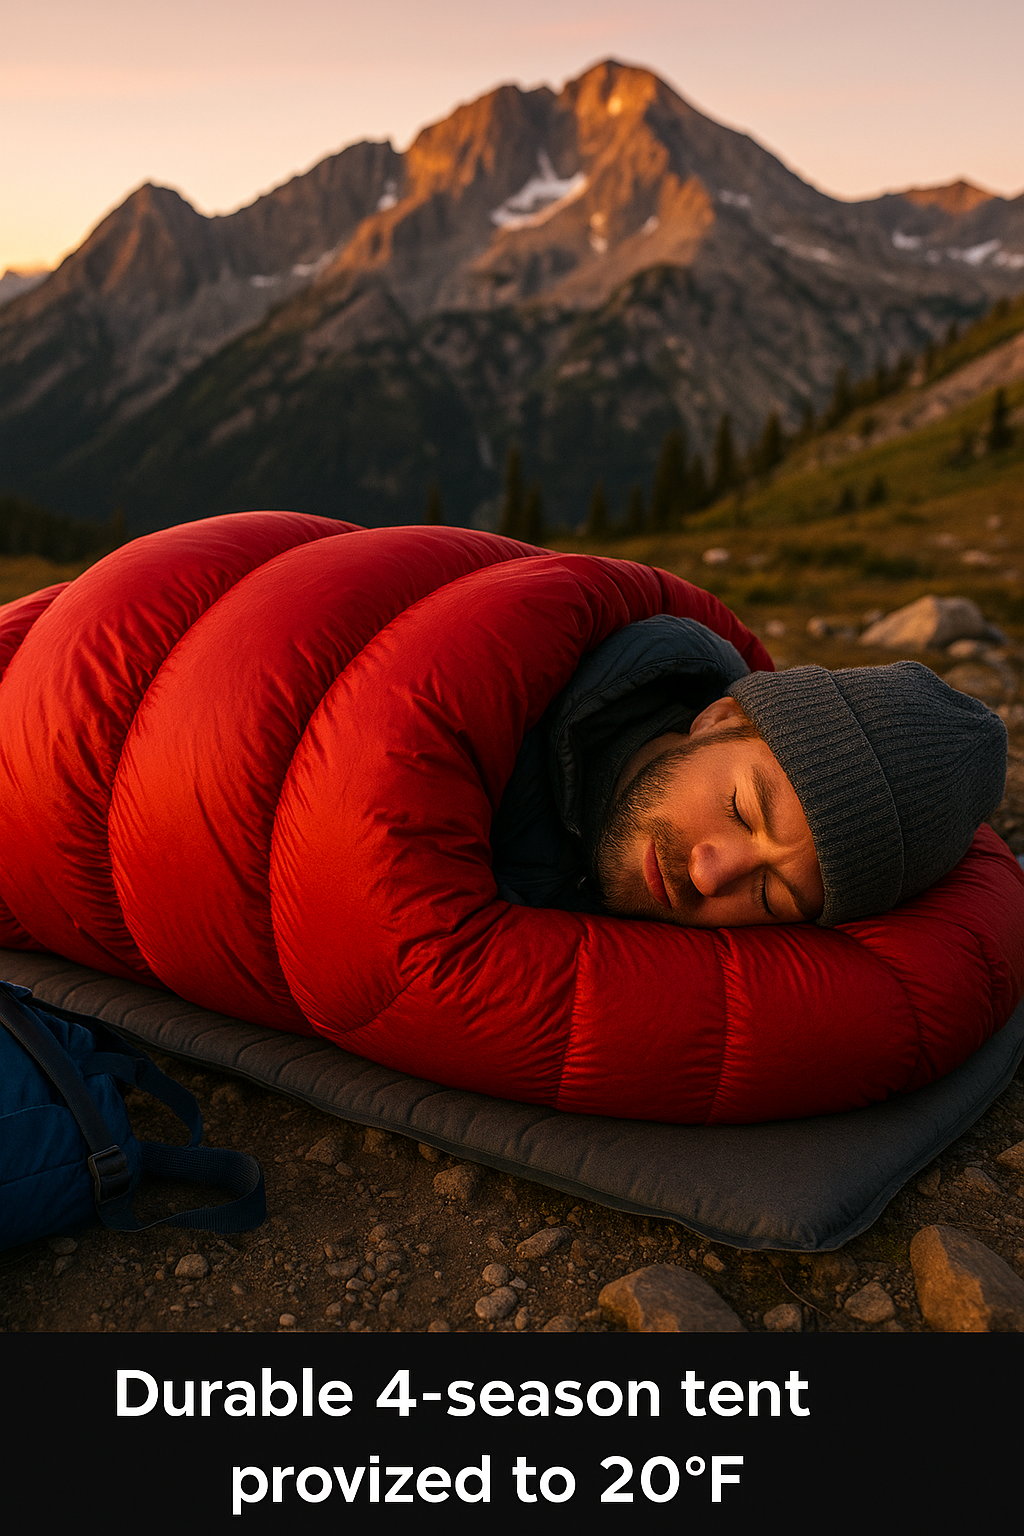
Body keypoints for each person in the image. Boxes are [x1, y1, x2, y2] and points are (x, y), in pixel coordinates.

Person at [491, 613, 1007, 930]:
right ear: (718, 719)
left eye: (769, 896)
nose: (708, 876)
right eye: (741, 810)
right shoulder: (505, 715)